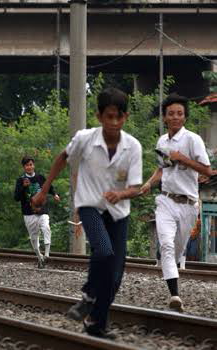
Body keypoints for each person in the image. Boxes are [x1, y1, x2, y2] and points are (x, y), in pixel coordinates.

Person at [31, 88, 142, 339]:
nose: (114, 122)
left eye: (119, 117)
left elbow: (135, 187)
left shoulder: (133, 147)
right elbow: (62, 158)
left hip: (119, 212)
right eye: (109, 116)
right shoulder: (85, 139)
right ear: (99, 116)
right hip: (90, 206)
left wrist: (121, 194)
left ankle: (96, 323)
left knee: (115, 276)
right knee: (103, 250)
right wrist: (44, 190)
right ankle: (89, 295)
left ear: (125, 117)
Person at [139, 93, 212, 312]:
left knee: (178, 250)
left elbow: (207, 170)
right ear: (164, 117)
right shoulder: (162, 141)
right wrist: (149, 183)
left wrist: (183, 158)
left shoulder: (192, 140)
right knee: (168, 245)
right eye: (171, 113)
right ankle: (175, 295)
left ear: (185, 117)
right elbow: (162, 168)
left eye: (179, 113)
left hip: (188, 204)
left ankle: (167, 261)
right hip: (166, 200)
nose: (175, 117)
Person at [14, 156, 60, 267]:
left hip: (42, 210)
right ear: (24, 167)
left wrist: (54, 194)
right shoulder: (20, 180)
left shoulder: (40, 177)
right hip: (28, 213)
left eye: (31, 164)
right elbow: (16, 197)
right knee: (34, 238)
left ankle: (47, 255)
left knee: (46, 227)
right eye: (27, 165)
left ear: (33, 165)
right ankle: (40, 257)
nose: (29, 167)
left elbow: (48, 186)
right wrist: (23, 187)